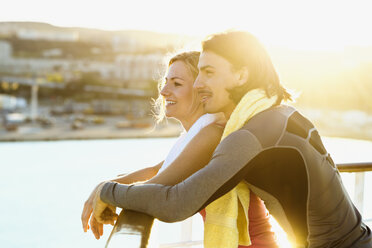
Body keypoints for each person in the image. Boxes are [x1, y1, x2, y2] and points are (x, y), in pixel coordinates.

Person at [94, 31, 372, 248]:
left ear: (242, 75)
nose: (199, 83)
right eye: (199, 71)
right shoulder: (275, 113)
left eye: (209, 72)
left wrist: (107, 191)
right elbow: (165, 169)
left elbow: (176, 203)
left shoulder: (251, 135)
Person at [82, 51, 278, 247]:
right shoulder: (198, 133)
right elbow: (156, 170)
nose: (163, 91)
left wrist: (106, 192)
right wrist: (101, 187)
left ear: (202, 91)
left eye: (176, 84)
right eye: (166, 82)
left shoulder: (212, 135)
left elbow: (156, 185)